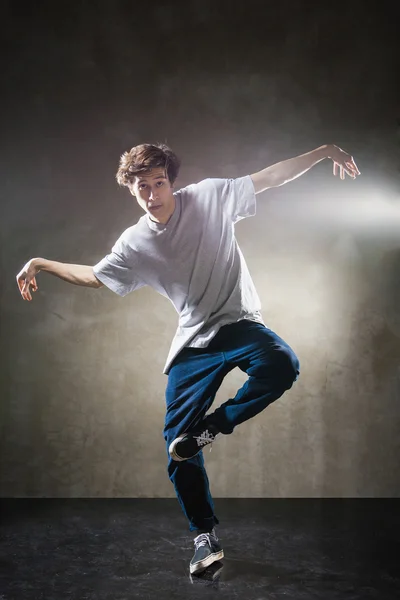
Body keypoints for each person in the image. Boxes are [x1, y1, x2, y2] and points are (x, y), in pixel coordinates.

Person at [16, 142, 360, 575]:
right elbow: (94, 277)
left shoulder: (211, 197)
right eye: (143, 187)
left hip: (239, 324)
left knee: (282, 364)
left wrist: (324, 151)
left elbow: (270, 177)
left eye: (159, 183)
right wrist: (40, 262)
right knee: (176, 447)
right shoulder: (135, 242)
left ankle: (213, 427)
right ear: (132, 190)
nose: (153, 194)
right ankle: (204, 538)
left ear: (171, 182)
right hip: (194, 344)